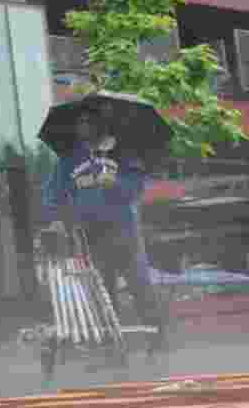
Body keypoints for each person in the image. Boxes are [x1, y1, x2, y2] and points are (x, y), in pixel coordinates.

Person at [43, 105, 165, 354]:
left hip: (123, 231)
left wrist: (115, 182)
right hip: (90, 234)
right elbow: (53, 194)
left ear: (99, 125)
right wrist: (55, 218)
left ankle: (158, 340)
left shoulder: (122, 154)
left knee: (139, 286)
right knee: (103, 291)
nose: (82, 126)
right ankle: (112, 348)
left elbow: (135, 189)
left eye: (88, 121)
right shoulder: (69, 160)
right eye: (79, 122)